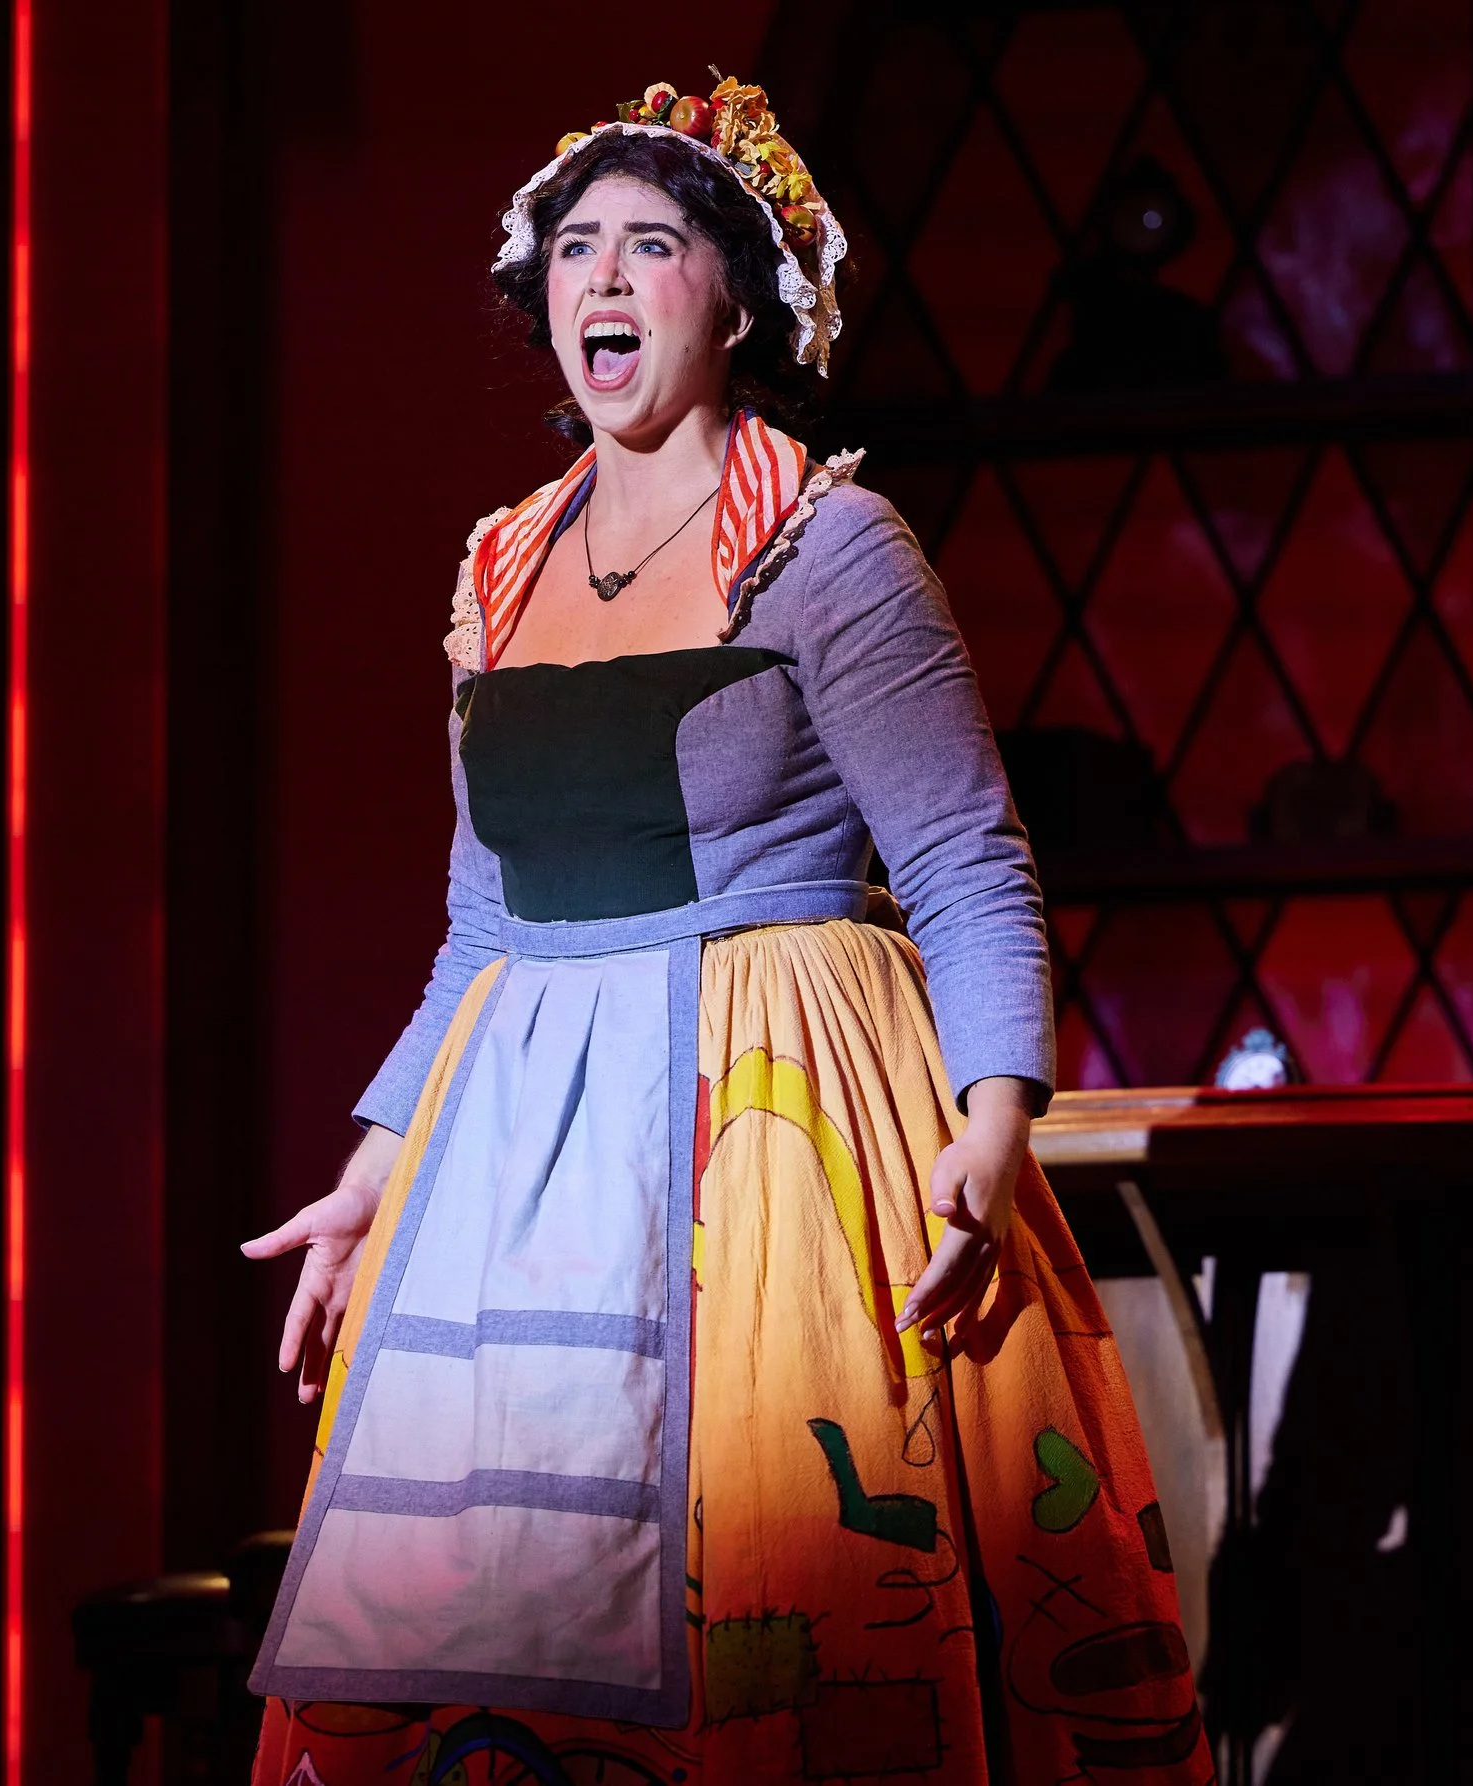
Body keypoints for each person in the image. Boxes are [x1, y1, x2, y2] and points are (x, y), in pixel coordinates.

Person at [241, 76, 1207, 1786]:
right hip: (522, 1157)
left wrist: (993, 1118)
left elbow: (965, 855)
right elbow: (481, 924)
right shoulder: (500, 572)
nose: (602, 275)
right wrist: (380, 1161)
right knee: (502, 1638)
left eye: (652, 244)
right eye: (575, 247)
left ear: (739, 301)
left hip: (764, 1132)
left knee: (766, 1591)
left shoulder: (829, 546)